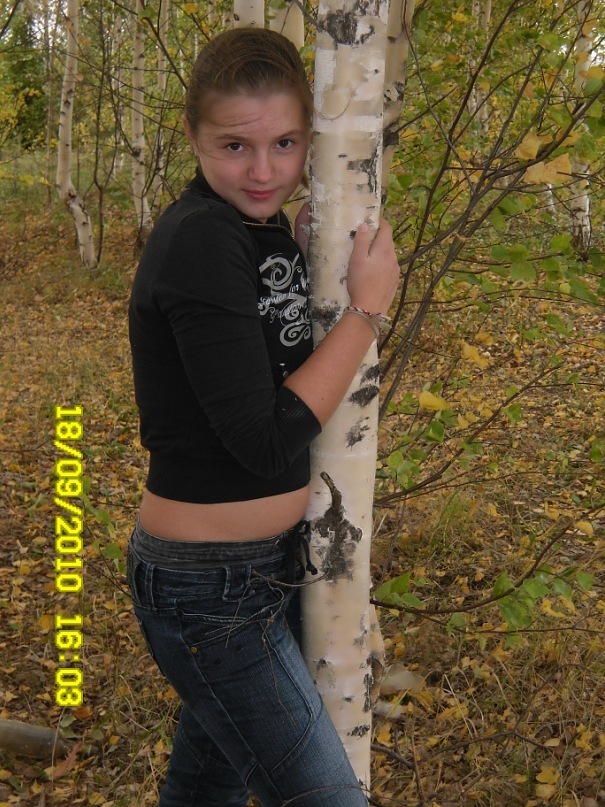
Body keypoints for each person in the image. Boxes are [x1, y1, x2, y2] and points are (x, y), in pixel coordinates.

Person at [126, 26, 400, 807]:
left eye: (284, 143)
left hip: (261, 571)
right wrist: (365, 312)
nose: (263, 170)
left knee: (204, 791)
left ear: (310, 135)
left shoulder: (253, 231)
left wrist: (302, 256)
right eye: (234, 146)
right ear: (192, 137)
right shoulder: (198, 240)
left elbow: (265, 360)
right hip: (208, 593)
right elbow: (262, 436)